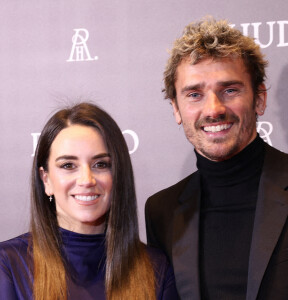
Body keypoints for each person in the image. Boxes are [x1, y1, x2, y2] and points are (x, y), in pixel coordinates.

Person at [145, 17, 288, 300]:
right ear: (176, 109)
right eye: (194, 94)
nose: (214, 109)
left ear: (260, 99)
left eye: (230, 90)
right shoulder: (161, 211)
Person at [0, 103, 179, 300]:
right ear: (46, 180)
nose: (87, 180)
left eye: (100, 164)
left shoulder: (155, 269)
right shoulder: (9, 265)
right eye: (68, 165)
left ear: (118, 175)